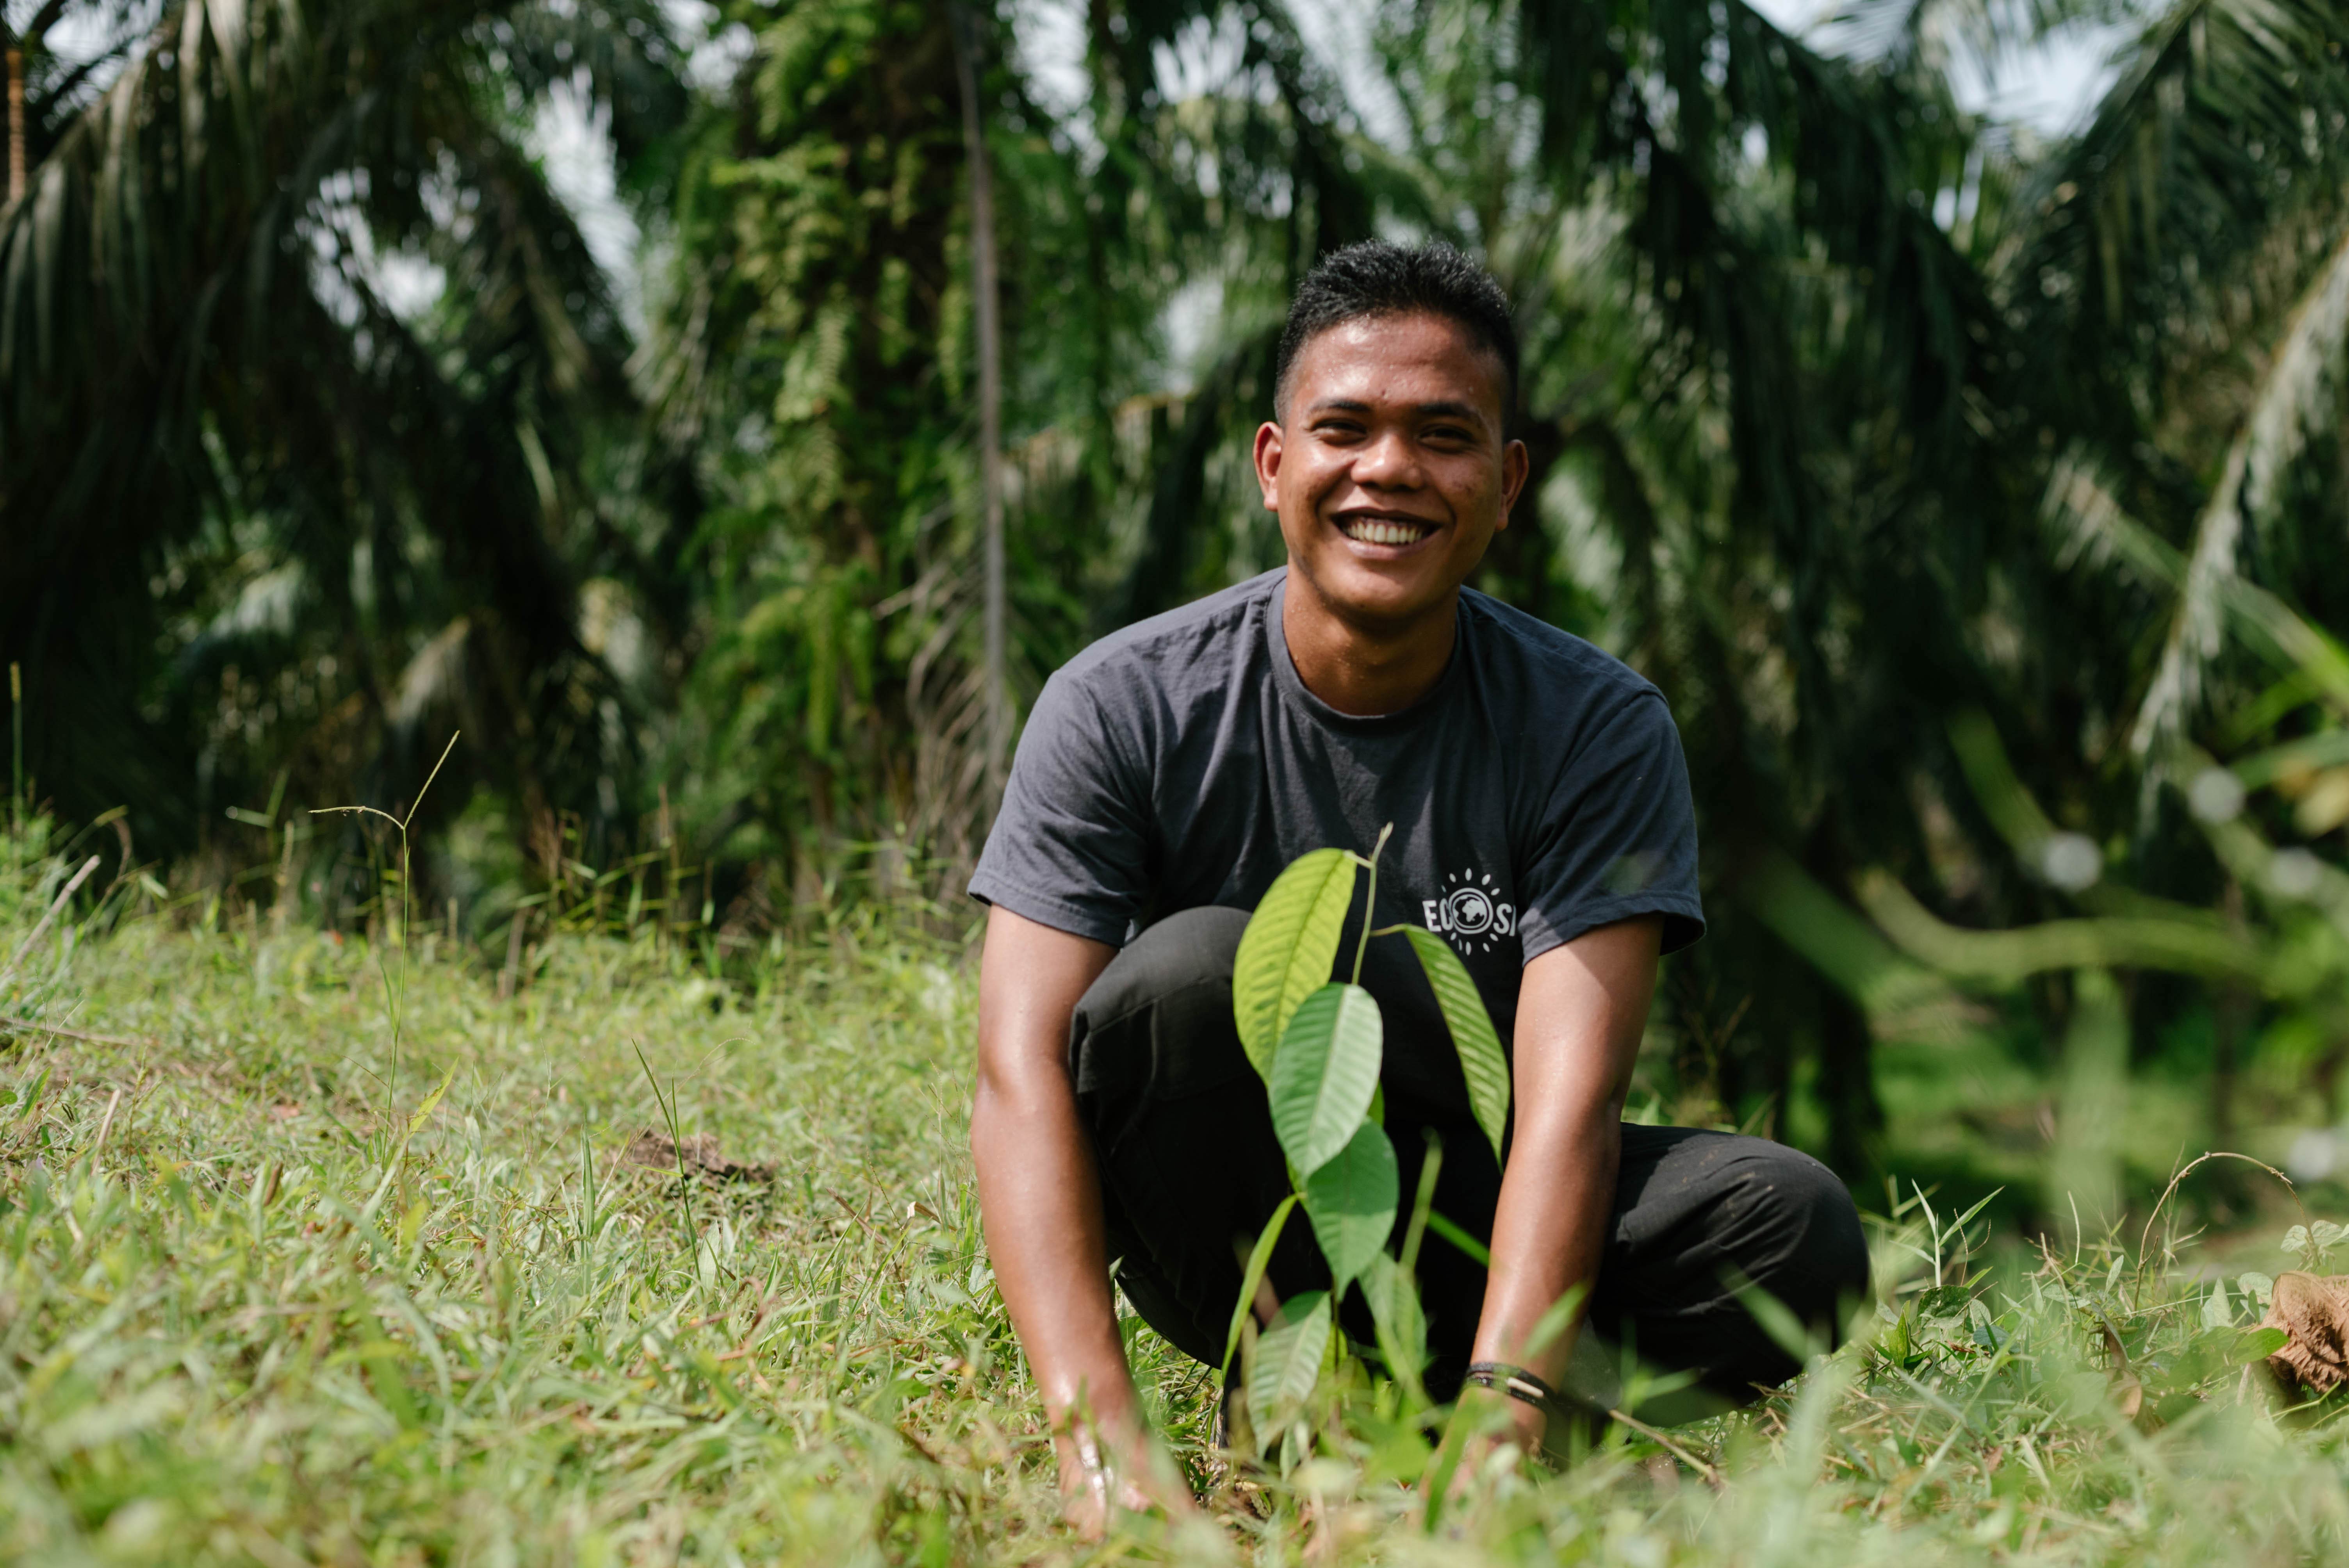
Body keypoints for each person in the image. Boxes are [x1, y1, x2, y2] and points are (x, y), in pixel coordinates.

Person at [966, 240, 1869, 1526]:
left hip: (1472, 1209)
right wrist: (1095, 1440)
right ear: (1276, 465)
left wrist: (1509, 1412)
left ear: (1506, 487)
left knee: (1795, 1230)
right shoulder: (1123, 702)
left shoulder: (1595, 726)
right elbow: (1018, 1074)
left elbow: (1570, 1109)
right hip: (1223, 1221)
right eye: (1347, 428)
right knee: (1195, 976)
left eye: (1443, 436)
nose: (1389, 469)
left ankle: (1470, 1416)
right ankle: (1276, 1390)